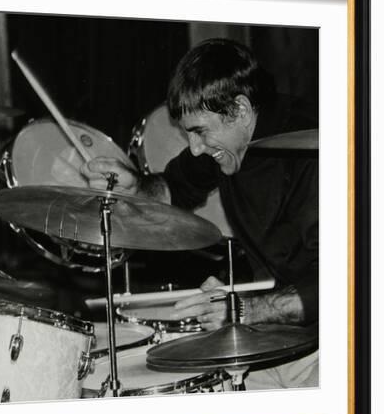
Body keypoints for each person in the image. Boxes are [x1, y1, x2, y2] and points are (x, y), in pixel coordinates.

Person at [81, 38, 319, 389]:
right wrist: (136, 187)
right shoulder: (227, 140)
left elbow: (351, 282)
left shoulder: (313, 152)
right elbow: (174, 187)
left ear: (239, 109)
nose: (195, 148)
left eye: (199, 132)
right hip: (278, 336)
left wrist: (242, 311)